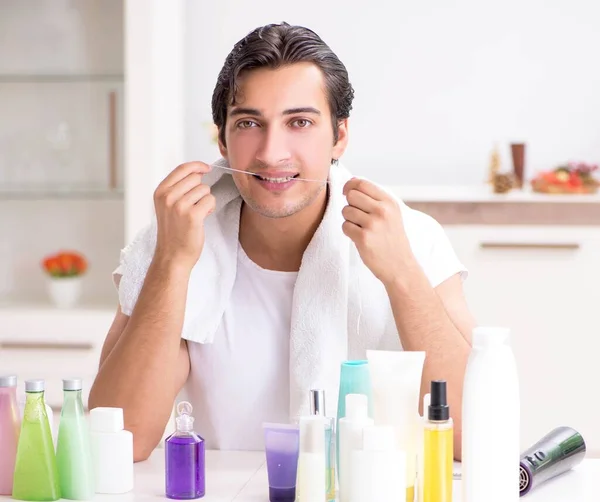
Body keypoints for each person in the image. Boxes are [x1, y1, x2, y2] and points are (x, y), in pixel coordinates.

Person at [88, 22, 475, 462]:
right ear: (223, 139)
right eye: (250, 122)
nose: (272, 153)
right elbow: (119, 438)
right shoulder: (177, 242)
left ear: (340, 136)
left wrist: (402, 274)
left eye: (300, 122)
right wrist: (171, 263)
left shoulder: (413, 239)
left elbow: (473, 436)